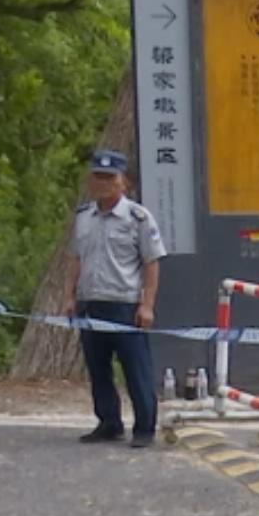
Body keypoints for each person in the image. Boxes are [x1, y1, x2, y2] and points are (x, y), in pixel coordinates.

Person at [63, 150, 166, 448]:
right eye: (98, 177)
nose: (104, 183)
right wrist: (70, 297)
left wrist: (147, 305)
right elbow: (75, 259)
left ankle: (145, 427)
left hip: (124, 304)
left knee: (136, 369)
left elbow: (151, 263)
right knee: (98, 369)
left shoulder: (138, 218)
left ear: (124, 182)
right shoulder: (83, 217)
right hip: (90, 301)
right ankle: (109, 423)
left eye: (111, 177)